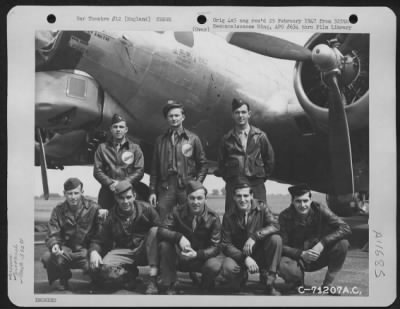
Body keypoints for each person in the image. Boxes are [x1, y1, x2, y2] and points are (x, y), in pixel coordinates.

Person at [88, 181, 160, 294]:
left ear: (134, 196)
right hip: (124, 250)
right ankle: (129, 275)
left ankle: (153, 279)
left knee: (155, 231)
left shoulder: (147, 209)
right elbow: (98, 239)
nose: (125, 201)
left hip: (144, 249)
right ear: (116, 198)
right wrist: (93, 252)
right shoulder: (111, 216)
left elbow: (162, 231)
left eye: (128, 197)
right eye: (121, 198)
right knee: (104, 271)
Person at [278, 184, 351, 294]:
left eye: (305, 201)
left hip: (317, 255)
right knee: (283, 264)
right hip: (297, 259)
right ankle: (296, 283)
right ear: (292, 201)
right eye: (298, 201)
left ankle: (328, 285)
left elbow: (345, 228)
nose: (303, 205)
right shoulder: (284, 216)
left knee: (342, 244)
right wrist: (301, 253)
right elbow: (281, 245)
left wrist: (322, 243)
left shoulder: (320, 209)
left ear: (310, 200)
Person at [157, 180, 224, 294]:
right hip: (180, 257)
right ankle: (171, 283)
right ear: (186, 198)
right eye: (192, 198)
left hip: (200, 259)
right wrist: (179, 237)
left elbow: (216, 247)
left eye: (199, 198)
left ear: (205, 199)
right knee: (165, 245)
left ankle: (206, 283)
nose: (195, 202)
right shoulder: (176, 211)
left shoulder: (213, 218)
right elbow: (161, 230)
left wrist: (198, 254)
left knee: (214, 265)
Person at [220, 177, 282, 295]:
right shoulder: (228, 216)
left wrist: (255, 236)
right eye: (239, 196)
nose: (242, 200)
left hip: (259, 253)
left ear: (251, 195)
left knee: (276, 239)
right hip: (240, 255)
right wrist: (245, 258)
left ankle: (269, 279)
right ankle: (241, 277)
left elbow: (275, 225)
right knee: (228, 269)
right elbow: (226, 244)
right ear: (233, 197)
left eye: (245, 196)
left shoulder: (262, 207)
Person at [40, 178, 105, 290]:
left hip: (86, 250)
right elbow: (53, 231)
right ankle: (63, 277)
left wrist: (94, 251)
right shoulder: (58, 210)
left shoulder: (94, 208)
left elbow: (101, 234)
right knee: (48, 257)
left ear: (82, 193)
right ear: (64, 194)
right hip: (66, 250)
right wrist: (54, 244)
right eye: (70, 194)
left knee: (98, 266)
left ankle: (96, 280)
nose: (73, 197)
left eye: (76, 193)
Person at [149, 100, 208, 220]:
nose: (174, 118)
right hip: (166, 187)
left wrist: (196, 185)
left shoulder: (193, 139)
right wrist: (152, 191)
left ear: (183, 117)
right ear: (167, 118)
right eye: (170, 116)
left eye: (177, 115)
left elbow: (203, 165)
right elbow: (154, 169)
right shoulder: (160, 141)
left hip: (186, 186)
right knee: (163, 219)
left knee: (188, 220)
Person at [217, 98, 274, 213]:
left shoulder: (260, 136)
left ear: (249, 114)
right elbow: (221, 164)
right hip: (234, 185)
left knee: (259, 216)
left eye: (243, 112)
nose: (240, 115)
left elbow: (270, 160)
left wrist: (260, 177)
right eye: (237, 112)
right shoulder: (226, 139)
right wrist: (232, 178)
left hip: (256, 184)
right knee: (232, 217)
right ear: (233, 115)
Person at [94, 114, 144, 209]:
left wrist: (124, 183)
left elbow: (139, 171)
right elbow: (97, 171)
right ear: (111, 129)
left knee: (129, 219)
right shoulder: (102, 148)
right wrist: (110, 183)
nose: (118, 129)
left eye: (121, 127)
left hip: (128, 192)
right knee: (106, 219)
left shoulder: (135, 148)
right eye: (115, 127)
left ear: (126, 130)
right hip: (108, 192)